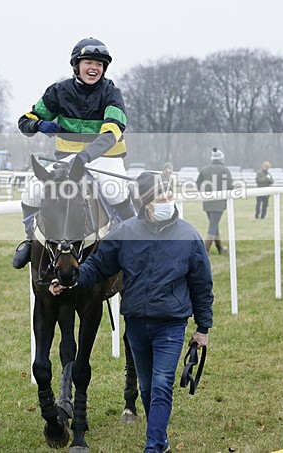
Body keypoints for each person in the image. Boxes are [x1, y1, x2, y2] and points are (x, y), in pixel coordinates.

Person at [49, 172, 213, 453]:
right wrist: (71, 278)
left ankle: (152, 447)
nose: (168, 202)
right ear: (147, 203)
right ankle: (161, 442)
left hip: (171, 326)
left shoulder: (188, 235)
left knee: (162, 385)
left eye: (170, 197)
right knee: (148, 389)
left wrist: (202, 328)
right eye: (162, 198)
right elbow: (99, 266)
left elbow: (202, 284)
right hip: (136, 324)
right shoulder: (125, 232)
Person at [12, 37, 135, 269]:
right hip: (68, 160)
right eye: (88, 62)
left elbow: (111, 133)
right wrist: (38, 125)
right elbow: (24, 121)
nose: (94, 68)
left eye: (99, 64)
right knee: (32, 189)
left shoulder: (111, 93)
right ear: (76, 65)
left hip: (106, 159)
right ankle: (30, 241)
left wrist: (85, 157)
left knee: (115, 190)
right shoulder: (58, 92)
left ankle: (137, 244)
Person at [196, 147, 233, 254]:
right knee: (212, 228)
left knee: (214, 226)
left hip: (207, 203)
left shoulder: (204, 170)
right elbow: (230, 186)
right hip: (219, 203)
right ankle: (205, 252)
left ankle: (220, 248)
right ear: (221, 159)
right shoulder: (225, 170)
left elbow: (198, 184)